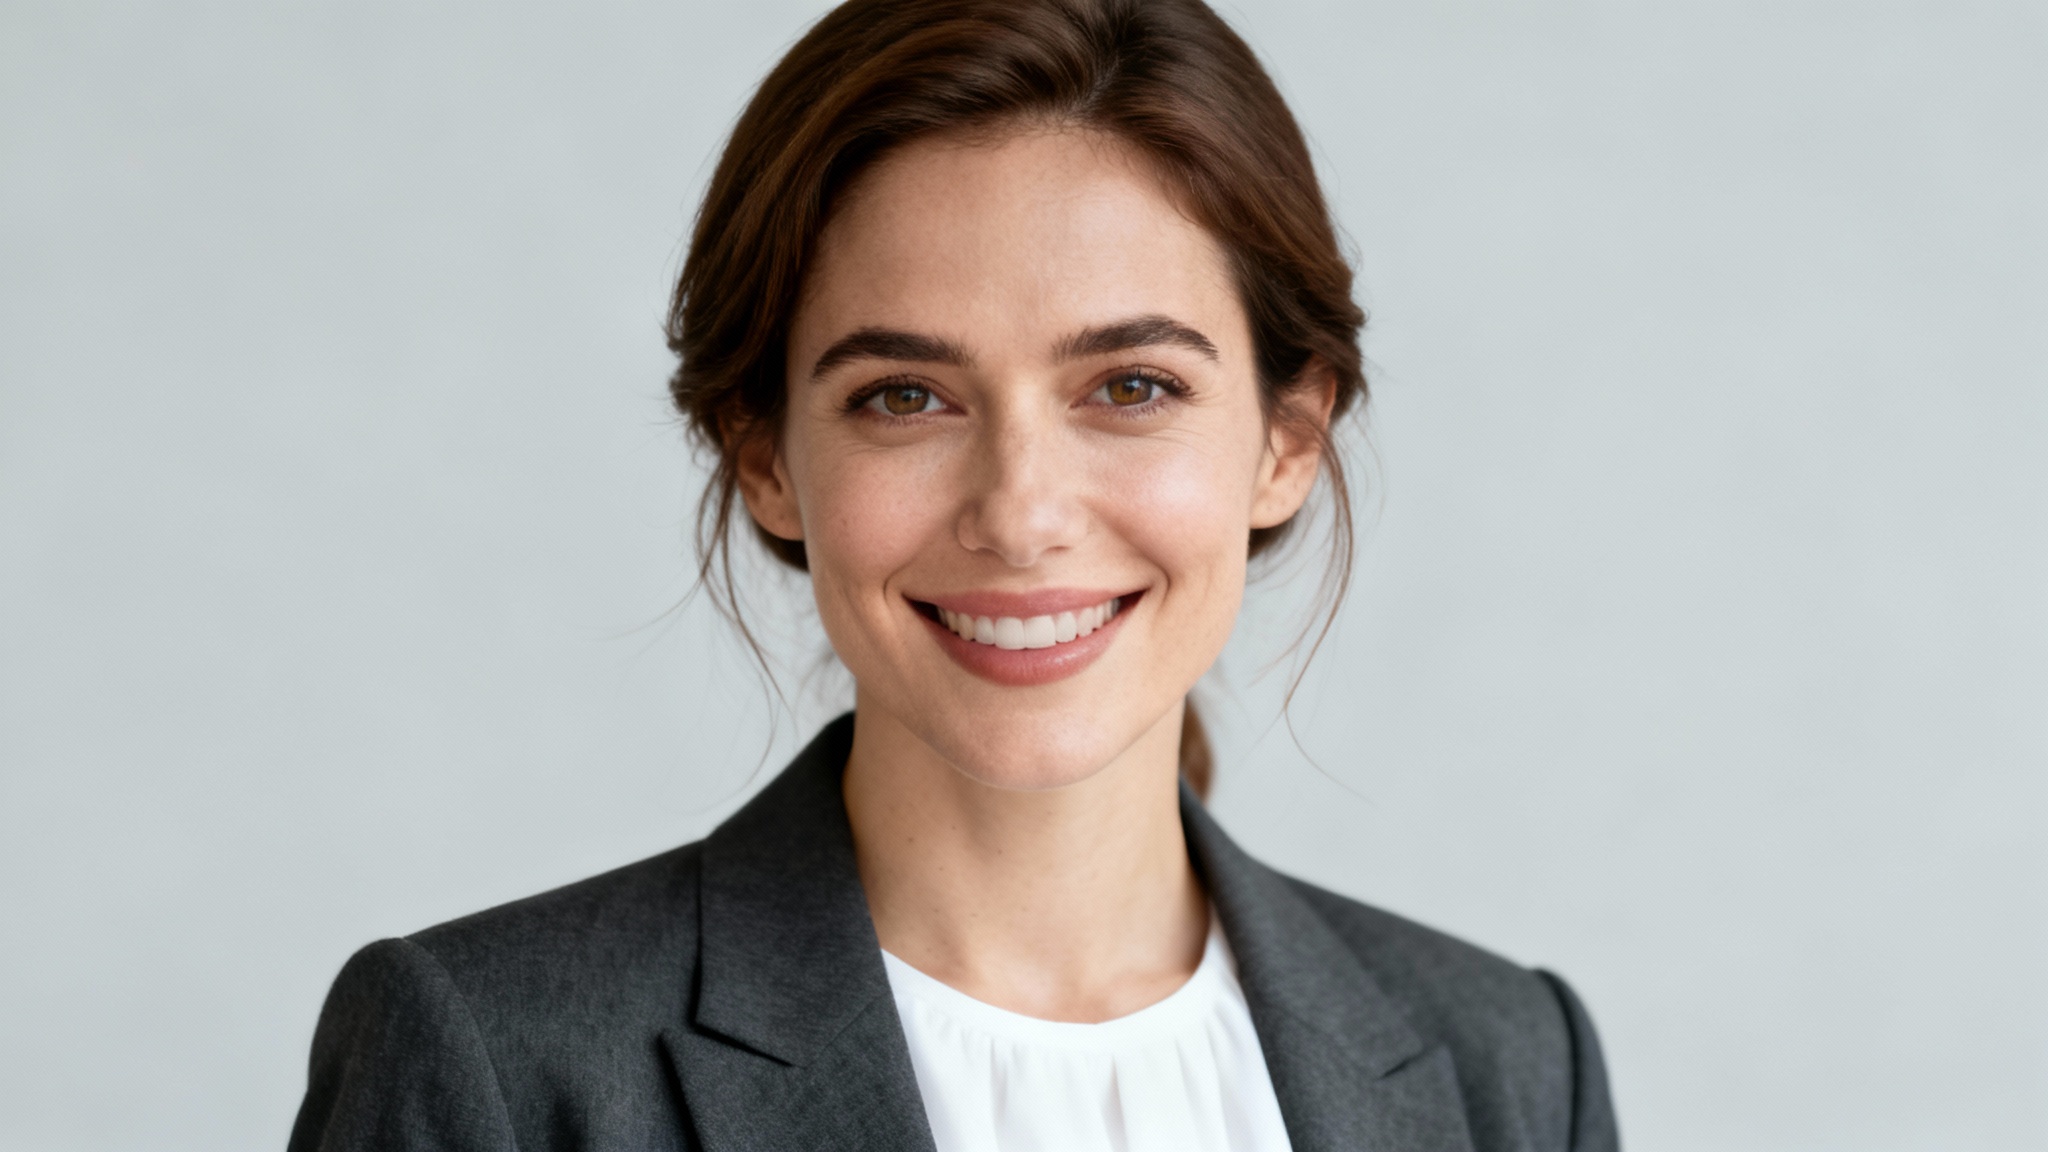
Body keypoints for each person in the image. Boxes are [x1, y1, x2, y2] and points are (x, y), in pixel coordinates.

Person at [289, 1, 1621, 1149]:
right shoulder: (499, 1066)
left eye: (1133, 386)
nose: (1021, 513)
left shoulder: (1506, 1068)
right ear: (761, 454)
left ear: (1285, 440)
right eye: (905, 396)